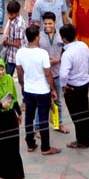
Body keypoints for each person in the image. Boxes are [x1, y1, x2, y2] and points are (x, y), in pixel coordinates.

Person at [16, 24, 60, 156]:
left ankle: (30, 142)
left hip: (28, 90)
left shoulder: (20, 52)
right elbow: (47, 74)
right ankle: (45, 147)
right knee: (43, 118)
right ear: (36, 38)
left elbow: (19, 72)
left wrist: (23, 85)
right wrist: (53, 89)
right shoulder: (42, 54)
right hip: (42, 90)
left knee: (29, 117)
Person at [59, 23, 89, 149]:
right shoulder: (83, 45)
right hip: (85, 83)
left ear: (63, 38)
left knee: (76, 114)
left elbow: (63, 74)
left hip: (73, 87)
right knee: (85, 110)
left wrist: (63, 86)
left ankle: (82, 140)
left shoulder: (67, 54)